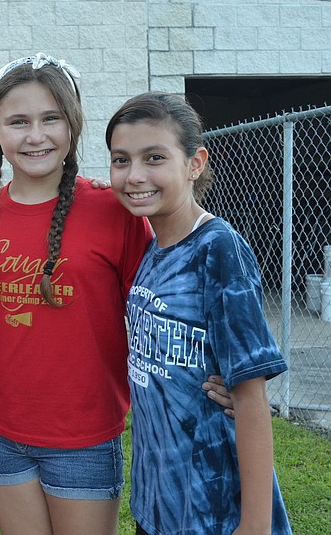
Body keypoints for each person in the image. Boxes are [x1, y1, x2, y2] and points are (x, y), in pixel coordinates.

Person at [0, 52, 152, 535]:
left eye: (51, 119)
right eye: (18, 122)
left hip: (84, 432)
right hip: (2, 429)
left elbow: (156, 313)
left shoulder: (114, 211)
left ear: (73, 126)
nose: (35, 135)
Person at [106, 91, 292, 534]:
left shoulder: (218, 249)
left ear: (195, 163)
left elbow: (249, 397)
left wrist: (255, 525)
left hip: (214, 509)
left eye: (154, 158)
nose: (135, 175)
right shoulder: (152, 248)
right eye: (120, 160)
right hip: (158, 503)